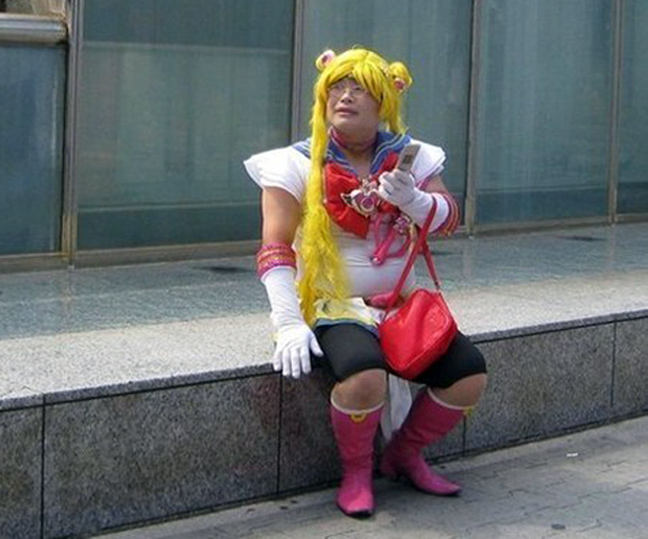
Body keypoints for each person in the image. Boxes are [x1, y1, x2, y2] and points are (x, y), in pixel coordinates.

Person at [244, 47, 487, 518]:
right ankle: (356, 474)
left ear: (384, 101)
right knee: (364, 378)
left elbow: (448, 219)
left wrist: (415, 200)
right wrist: (288, 323)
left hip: (402, 302)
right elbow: (275, 248)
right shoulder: (294, 163)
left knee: (468, 375)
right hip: (335, 304)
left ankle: (404, 455)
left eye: (360, 89)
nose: (345, 96)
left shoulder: (412, 158)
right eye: (336, 87)